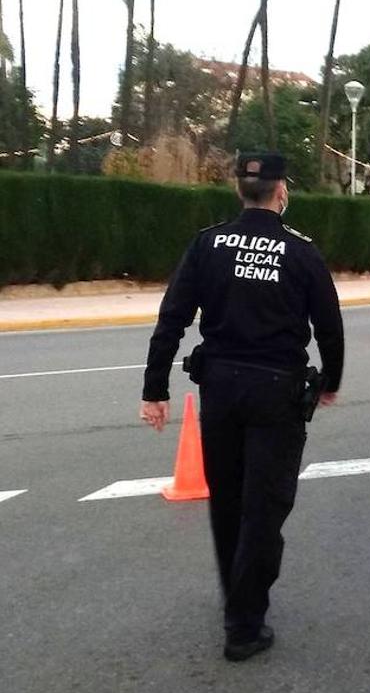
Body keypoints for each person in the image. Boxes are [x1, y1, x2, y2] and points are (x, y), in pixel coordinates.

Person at [139, 152, 344, 662]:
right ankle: (244, 626)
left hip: (221, 389)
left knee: (229, 500)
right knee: (265, 507)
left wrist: (155, 389)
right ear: (282, 192)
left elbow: (173, 318)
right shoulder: (300, 252)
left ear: (239, 192)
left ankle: (237, 596)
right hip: (276, 391)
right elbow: (330, 328)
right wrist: (331, 382)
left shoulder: (208, 244)